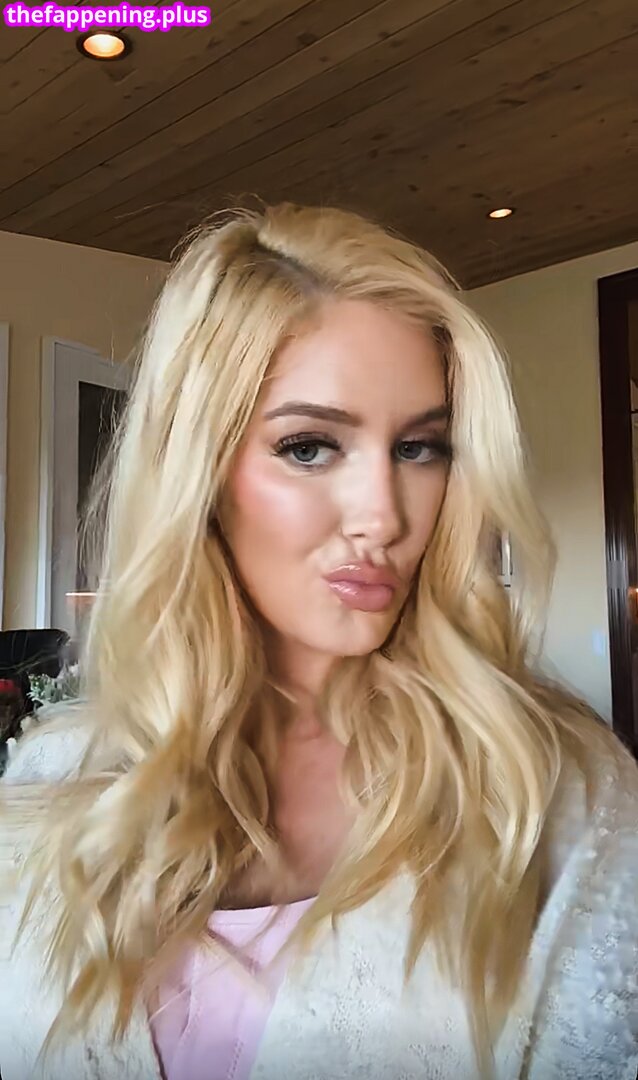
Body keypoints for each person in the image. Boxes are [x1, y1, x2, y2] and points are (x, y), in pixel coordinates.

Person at [1, 202, 637, 1080]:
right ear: (201, 472)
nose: (383, 517)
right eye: (309, 447)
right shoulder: (54, 776)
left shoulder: (556, 792)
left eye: (419, 448)